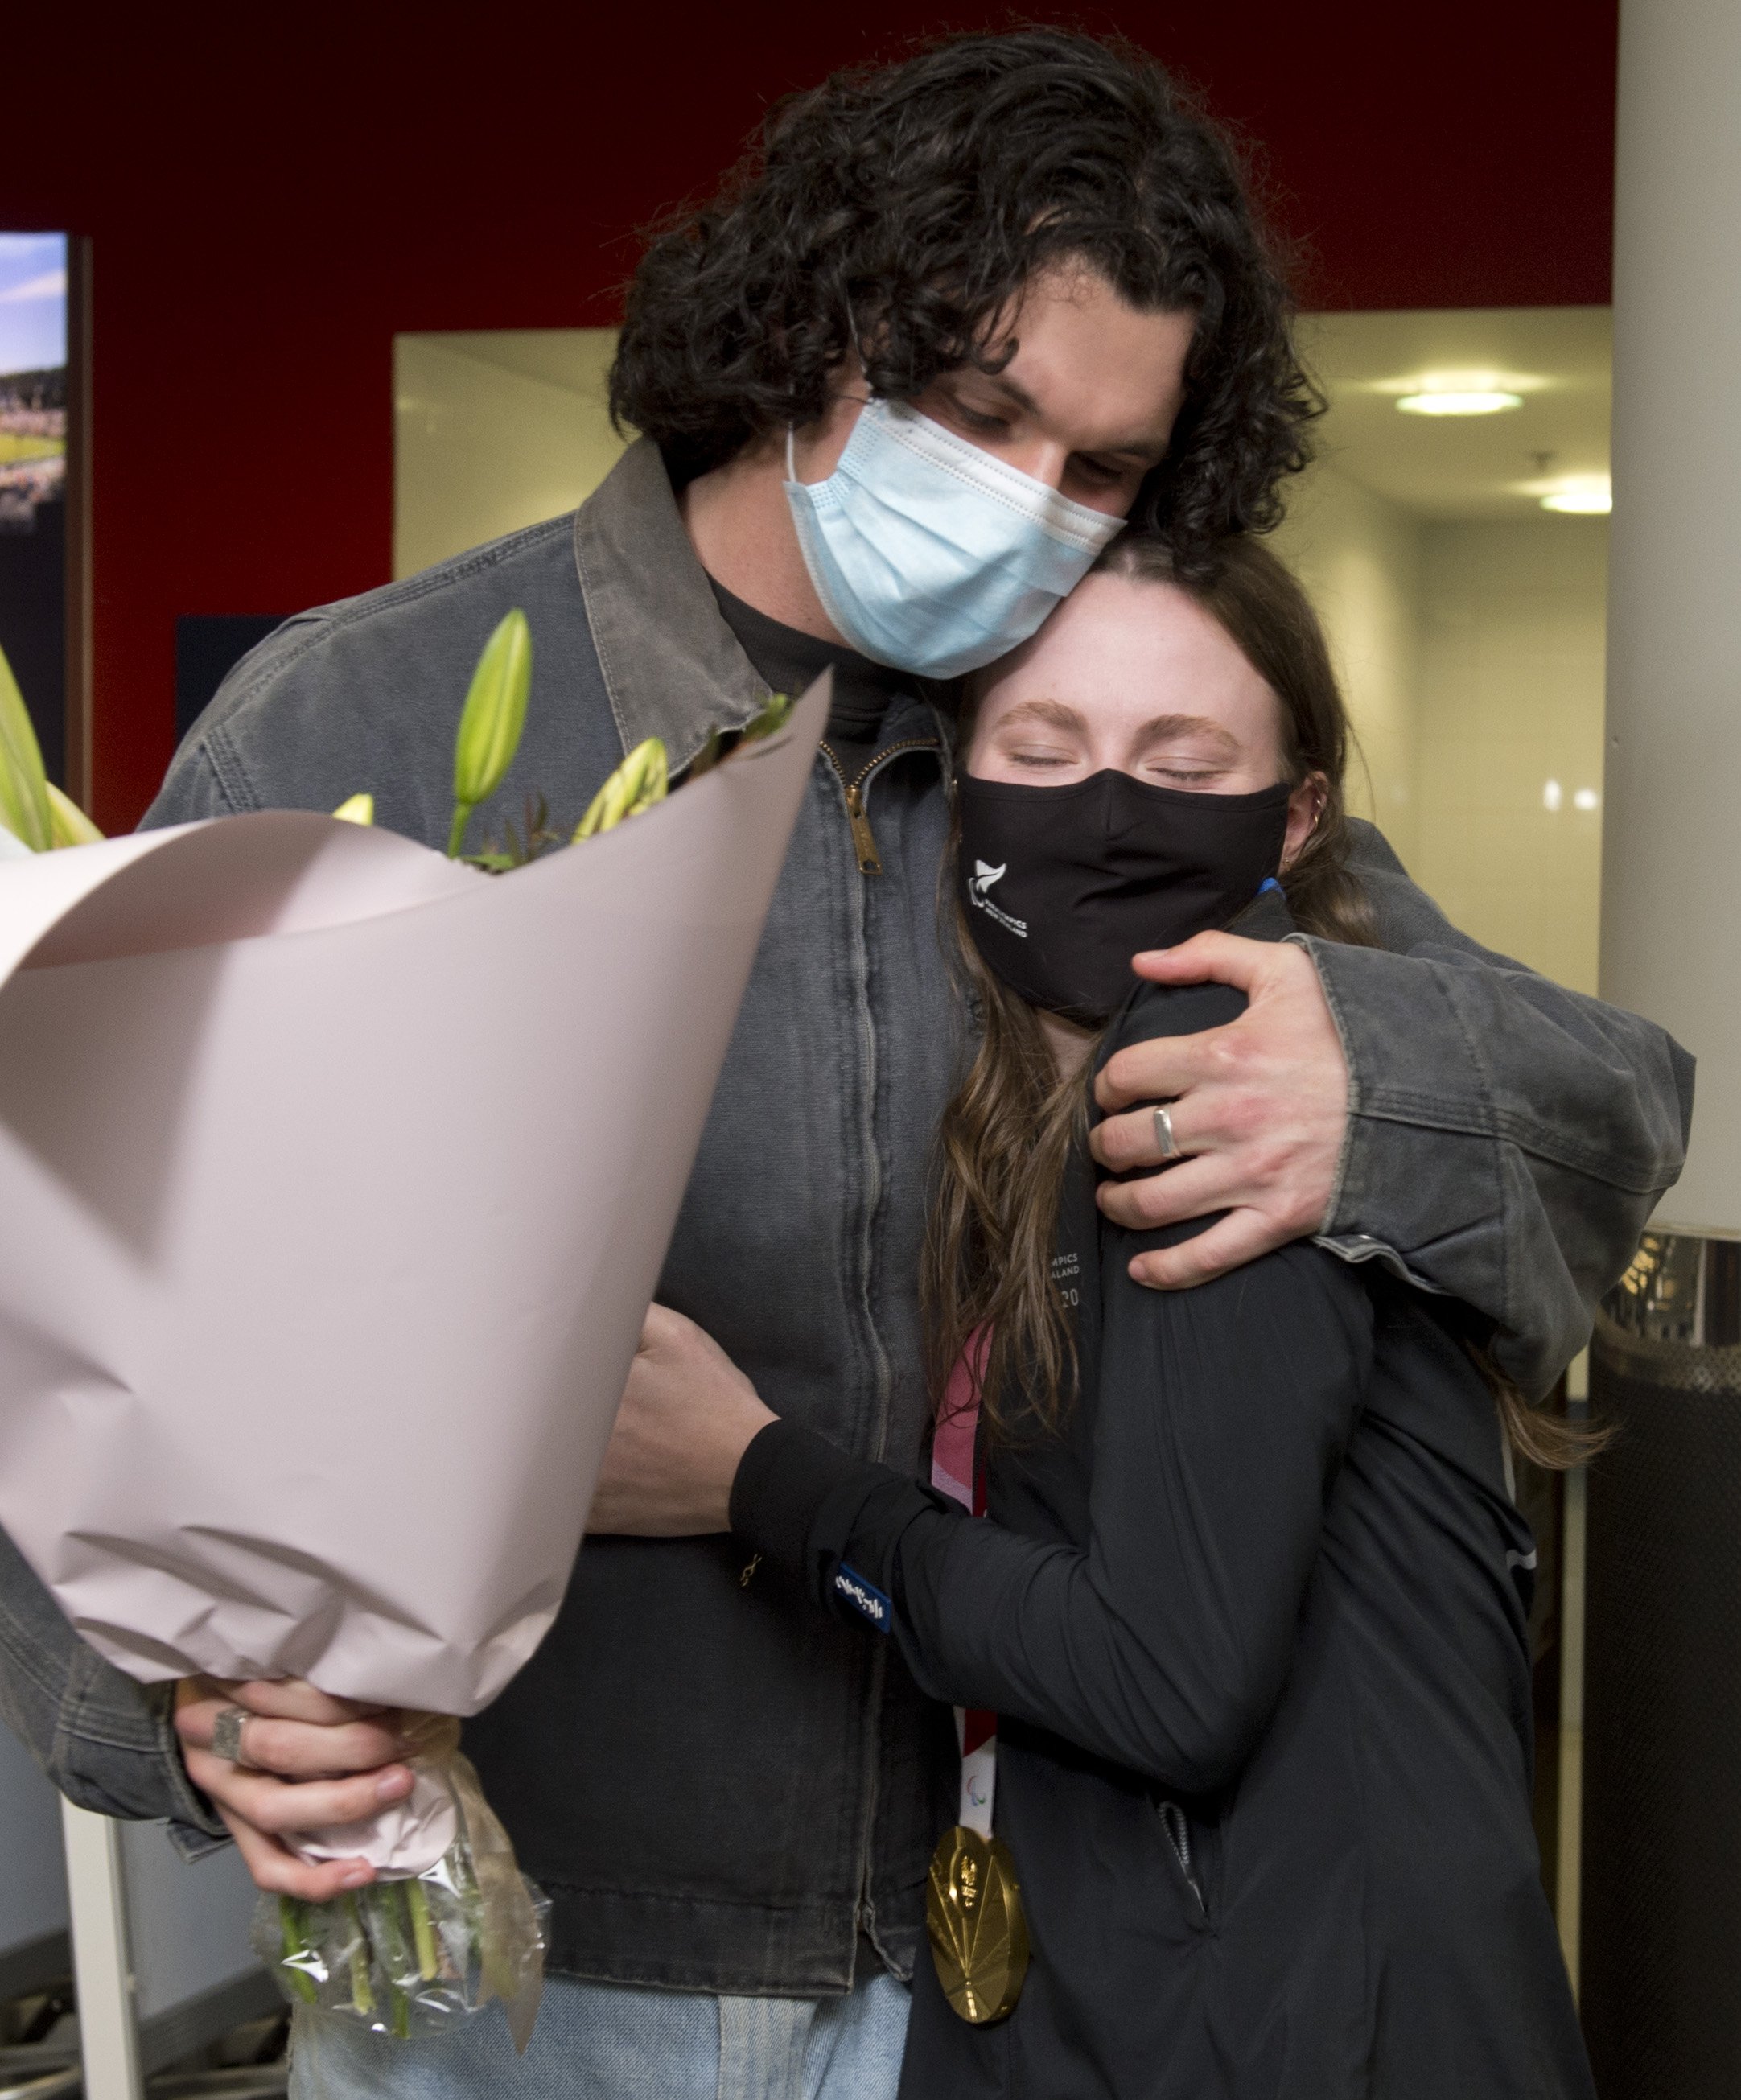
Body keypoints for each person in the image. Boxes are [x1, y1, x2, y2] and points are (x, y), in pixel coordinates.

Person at [0, 27, 1685, 2100]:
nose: (1034, 512)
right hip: (558, 1941)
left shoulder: (1085, 749)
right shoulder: (373, 717)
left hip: (1018, 1958)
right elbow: (76, 1306)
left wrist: (1371, 1080)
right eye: (982, 416)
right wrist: (190, 1711)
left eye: (1107, 472)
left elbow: (1608, 1105)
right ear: (813, 322)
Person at [590, 533, 1603, 2097]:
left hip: (1315, 2025)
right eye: (1041, 750)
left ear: (1297, 812)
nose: (1103, 812)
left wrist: (749, 1476)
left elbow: (1163, 1681)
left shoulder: (1231, 1071)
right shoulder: (1027, 1112)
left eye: (1178, 760)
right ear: (960, 784)